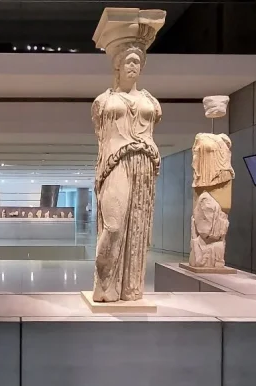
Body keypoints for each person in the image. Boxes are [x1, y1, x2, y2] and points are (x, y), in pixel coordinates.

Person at [91, 9, 165, 302]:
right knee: (114, 226)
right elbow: (102, 137)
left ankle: (130, 288)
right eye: (128, 61)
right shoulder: (103, 101)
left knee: (137, 229)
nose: (133, 66)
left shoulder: (151, 102)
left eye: (138, 61)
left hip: (144, 163)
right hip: (115, 163)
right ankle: (104, 282)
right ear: (117, 66)